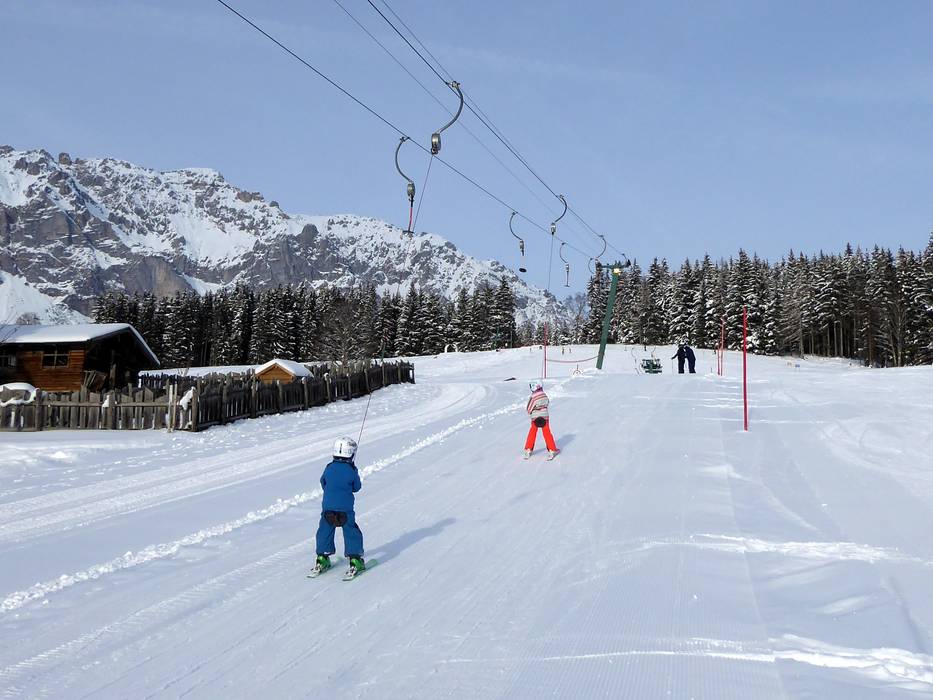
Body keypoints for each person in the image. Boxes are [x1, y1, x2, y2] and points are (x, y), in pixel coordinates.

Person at [311, 436, 365, 578]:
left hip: (328, 508)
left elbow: (323, 482)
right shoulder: (351, 470)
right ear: (351, 453)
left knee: (325, 530)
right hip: (345, 510)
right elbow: (357, 487)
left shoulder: (329, 467)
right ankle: (355, 559)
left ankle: (322, 557)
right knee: (351, 531)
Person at [524, 381, 559, 459]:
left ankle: (528, 449)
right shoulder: (544, 395)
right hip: (545, 417)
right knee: (547, 433)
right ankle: (552, 449)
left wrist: (531, 413)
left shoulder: (533, 397)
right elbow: (547, 402)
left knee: (532, 432)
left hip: (535, 418)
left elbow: (529, 408)